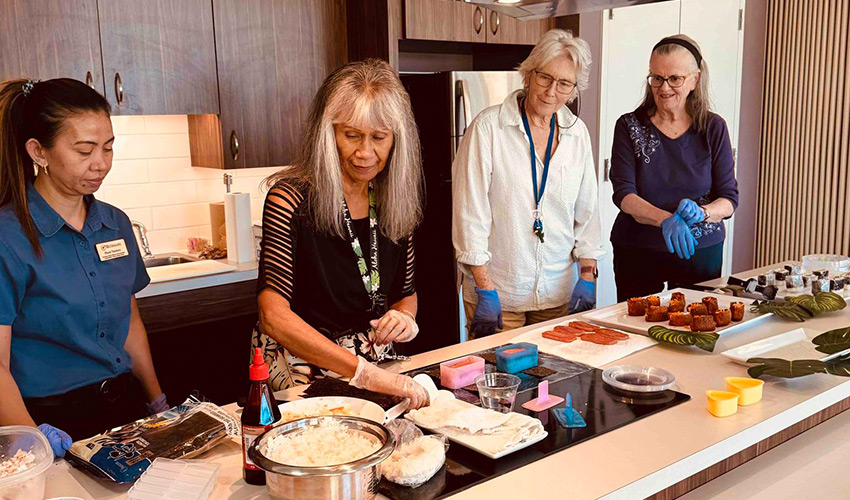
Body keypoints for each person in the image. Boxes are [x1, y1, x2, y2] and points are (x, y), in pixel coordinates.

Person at [0, 78, 169, 456]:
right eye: (84, 150)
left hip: (123, 411)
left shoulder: (115, 223)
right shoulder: (8, 238)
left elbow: (130, 325)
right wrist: (33, 444)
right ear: (38, 152)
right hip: (48, 421)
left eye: (108, 148)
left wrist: (157, 403)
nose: (101, 164)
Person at [252, 59, 429, 408]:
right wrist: (361, 371)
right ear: (327, 133)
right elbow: (272, 316)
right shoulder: (290, 198)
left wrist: (405, 318)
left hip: (375, 365)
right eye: (351, 136)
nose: (365, 153)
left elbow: (405, 293)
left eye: (379, 138)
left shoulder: (392, 197)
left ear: (397, 140)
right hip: (300, 370)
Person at [452, 29, 604, 338]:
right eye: (545, 78)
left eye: (564, 84)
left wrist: (587, 276)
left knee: (554, 383)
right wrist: (485, 287)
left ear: (574, 89)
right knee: (499, 383)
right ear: (528, 75)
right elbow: (470, 216)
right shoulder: (488, 128)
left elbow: (587, 214)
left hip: (557, 297)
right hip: (498, 295)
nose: (551, 91)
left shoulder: (578, 135)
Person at [609, 35, 739, 302]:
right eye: (656, 78)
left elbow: (729, 199)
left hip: (699, 250)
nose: (664, 87)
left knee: (696, 329)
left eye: (674, 79)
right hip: (638, 249)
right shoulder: (629, 126)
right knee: (637, 328)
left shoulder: (713, 128)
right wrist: (665, 219)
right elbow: (624, 194)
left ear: (694, 79)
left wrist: (703, 213)